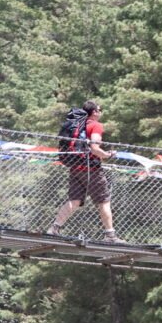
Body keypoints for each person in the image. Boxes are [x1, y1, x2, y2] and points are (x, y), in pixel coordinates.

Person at [46, 101, 126, 244]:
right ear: (94, 112)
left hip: (75, 166)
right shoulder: (95, 125)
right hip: (92, 169)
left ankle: (54, 228)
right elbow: (94, 147)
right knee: (104, 202)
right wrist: (107, 155)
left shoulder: (79, 125)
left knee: (74, 200)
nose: (100, 112)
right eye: (99, 110)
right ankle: (110, 235)